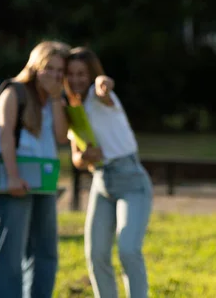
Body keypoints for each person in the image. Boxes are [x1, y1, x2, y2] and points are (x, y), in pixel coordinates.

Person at [64, 47, 153, 298]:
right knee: (96, 254)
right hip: (101, 182)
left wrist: (103, 85)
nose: (75, 79)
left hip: (131, 182)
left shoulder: (97, 94)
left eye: (82, 73)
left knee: (128, 250)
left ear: (91, 74)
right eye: (70, 74)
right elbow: (76, 158)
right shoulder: (74, 107)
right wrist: (84, 157)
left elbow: (105, 86)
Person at [0, 40, 71, 298]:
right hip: (15, 179)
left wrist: (56, 98)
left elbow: (61, 136)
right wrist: (12, 176)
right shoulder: (14, 92)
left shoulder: (53, 100)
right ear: (35, 66)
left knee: (45, 251)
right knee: (11, 252)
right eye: (50, 68)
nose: (55, 75)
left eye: (60, 71)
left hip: (44, 180)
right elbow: (5, 136)